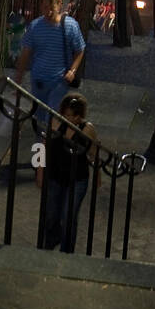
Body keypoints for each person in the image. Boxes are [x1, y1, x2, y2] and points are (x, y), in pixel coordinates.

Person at [16, 0, 85, 187]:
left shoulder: (69, 26)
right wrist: (19, 78)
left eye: (51, 6)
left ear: (59, 5)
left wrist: (72, 70)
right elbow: (26, 53)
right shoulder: (36, 27)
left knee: (48, 123)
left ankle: (42, 164)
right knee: (41, 122)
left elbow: (80, 49)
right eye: (44, 6)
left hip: (58, 83)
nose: (47, 10)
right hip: (39, 82)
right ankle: (41, 161)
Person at [43, 93, 99, 252]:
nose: (69, 119)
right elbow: (42, 146)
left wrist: (97, 175)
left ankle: (67, 250)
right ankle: (53, 238)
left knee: (68, 216)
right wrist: (40, 171)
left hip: (77, 178)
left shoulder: (87, 129)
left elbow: (94, 153)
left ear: (79, 116)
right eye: (66, 115)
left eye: (73, 116)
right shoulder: (55, 122)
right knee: (51, 214)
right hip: (56, 176)